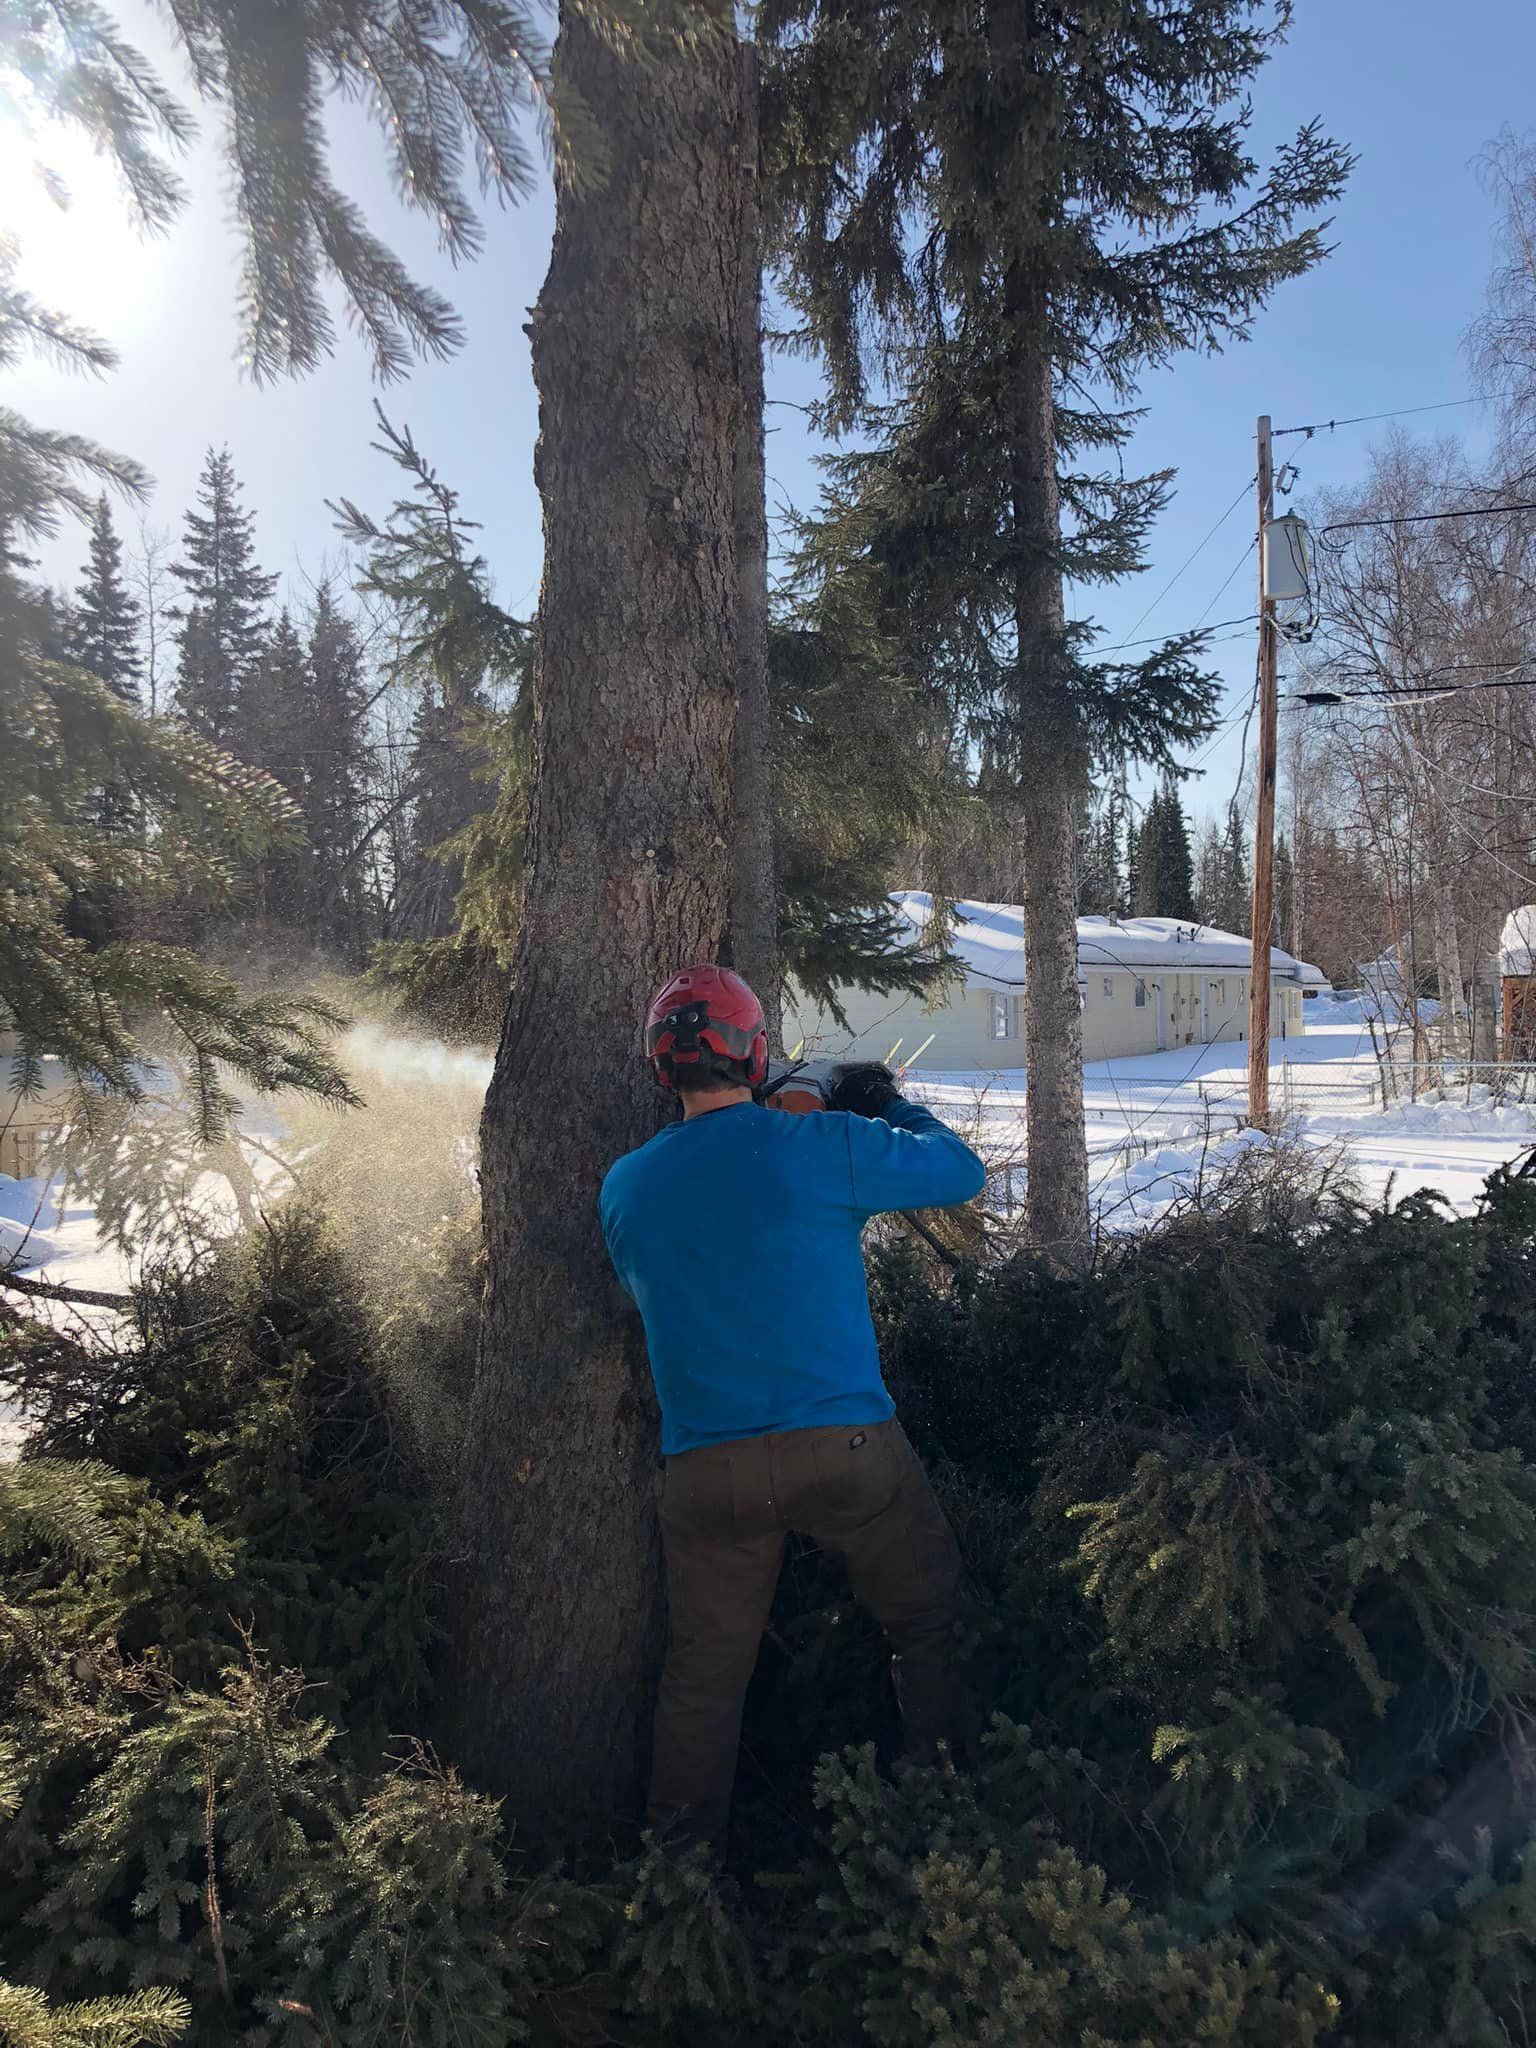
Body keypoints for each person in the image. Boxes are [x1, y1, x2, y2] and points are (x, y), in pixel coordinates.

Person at [598, 962, 988, 1849]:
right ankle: (949, 1832)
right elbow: (960, 1174)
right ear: (755, 1055)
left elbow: (656, 1280)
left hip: (706, 1474)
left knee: (703, 1679)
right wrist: (879, 1101)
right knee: (928, 1624)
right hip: (847, 1451)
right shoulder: (823, 1147)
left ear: (664, 1068)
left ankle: (676, 1886)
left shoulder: (625, 1187)